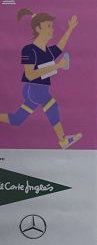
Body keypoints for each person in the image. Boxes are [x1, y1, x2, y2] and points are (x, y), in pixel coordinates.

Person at [1, 8, 81, 149]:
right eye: (48, 26)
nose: (52, 29)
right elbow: (30, 74)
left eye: (52, 26)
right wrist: (57, 66)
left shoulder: (47, 51)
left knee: (17, 119)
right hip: (34, 89)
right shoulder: (29, 50)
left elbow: (60, 47)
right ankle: (63, 140)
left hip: (38, 90)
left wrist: (70, 28)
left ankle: (63, 140)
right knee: (52, 106)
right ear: (38, 28)